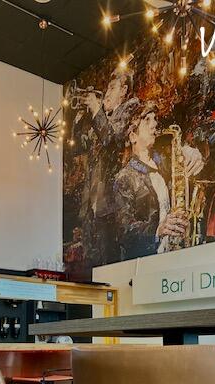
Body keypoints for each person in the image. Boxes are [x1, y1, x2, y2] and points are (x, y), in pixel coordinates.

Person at [114, 102, 204, 260]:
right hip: (148, 261)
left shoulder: (166, 162)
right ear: (133, 136)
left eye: (155, 118)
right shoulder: (125, 177)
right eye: (147, 120)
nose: (154, 124)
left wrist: (193, 152)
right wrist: (158, 229)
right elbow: (125, 232)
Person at [71, 70, 139, 265]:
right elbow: (78, 148)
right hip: (92, 201)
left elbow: (112, 140)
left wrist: (95, 109)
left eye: (112, 88)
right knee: (91, 262)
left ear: (123, 90)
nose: (106, 93)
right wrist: (80, 120)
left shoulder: (129, 108)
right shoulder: (101, 117)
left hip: (110, 202)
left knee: (109, 261)